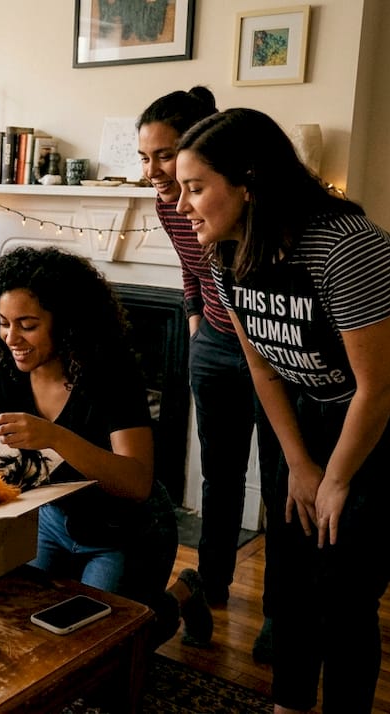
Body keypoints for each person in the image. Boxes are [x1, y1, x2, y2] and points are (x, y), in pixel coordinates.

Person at [175, 108, 390, 713]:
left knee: (346, 593)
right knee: (294, 583)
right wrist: (300, 464)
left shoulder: (345, 247)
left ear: (248, 182)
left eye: (195, 187)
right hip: (316, 407)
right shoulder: (226, 256)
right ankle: (289, 704)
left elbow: (379, 387)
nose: (181, 204)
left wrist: (336, 479)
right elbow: (261, 368)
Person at [0, 247, 212, 649]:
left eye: (27, 325)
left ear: (65, 322)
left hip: (123, 531)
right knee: (22, 627)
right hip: (51, 520)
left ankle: (183, 594)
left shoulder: (109, 371)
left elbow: (137, 481)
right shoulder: (1, 359)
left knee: (103, 651)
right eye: (3, 323)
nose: (12, 338)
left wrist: (56, 438)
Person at [138, 86, 282, 656]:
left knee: (277, 478)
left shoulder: (253, 210)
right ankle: (213, 581)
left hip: (272, 350)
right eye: (144, 157)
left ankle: (280, 611)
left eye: (164, 155)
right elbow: (191, 266)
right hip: (216, 343)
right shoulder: (167, 205)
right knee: (219, 474)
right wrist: (196, 316)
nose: (153, 171)